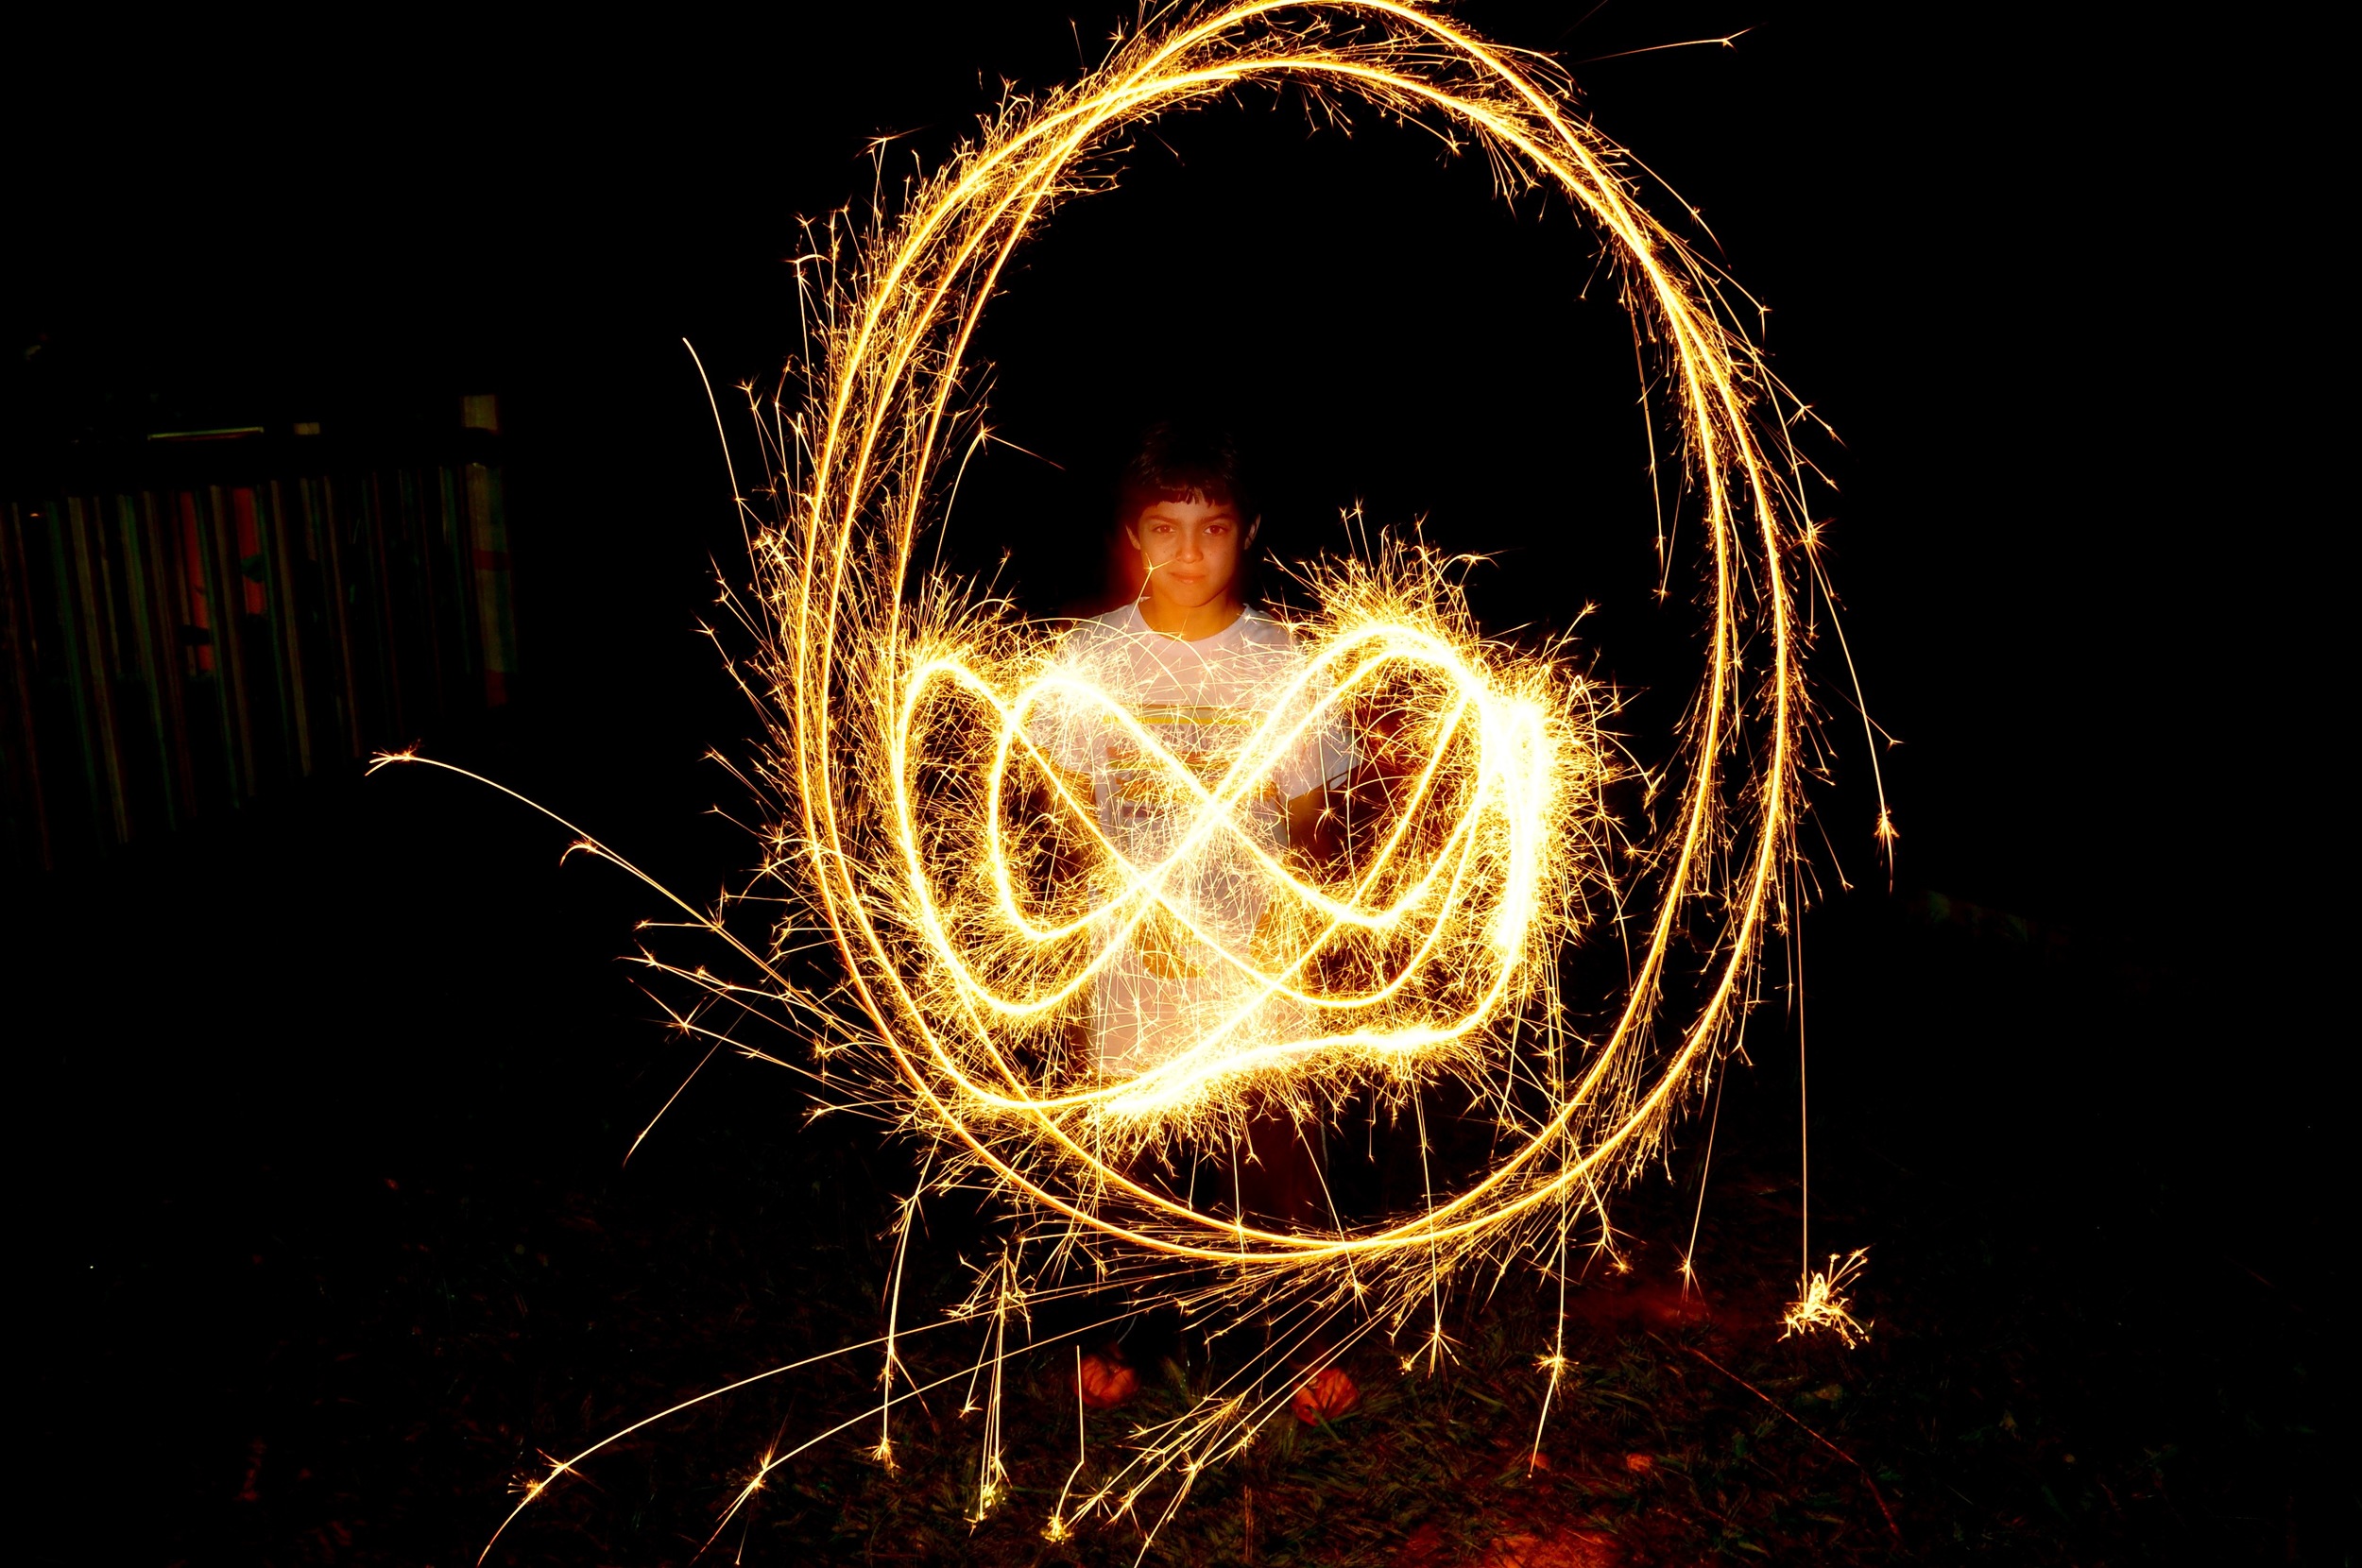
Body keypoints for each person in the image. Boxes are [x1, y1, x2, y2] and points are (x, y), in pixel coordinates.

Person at [1029, 421, 1361, 1423]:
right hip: (1132, 961)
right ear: (1132, 537)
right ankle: (1118, 1338)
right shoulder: (1093, 657)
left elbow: (1313, 821)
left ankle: (1303, 1345)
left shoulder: (1284, 661)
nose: (1186, 552)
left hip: (1253, 966)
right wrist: (1132, 907)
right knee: (1127, 1165)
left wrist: (1276, 923)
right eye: (1164, 528)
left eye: (1210, 528)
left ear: (1245, 533)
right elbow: (1066, 805)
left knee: (1281, 1166)